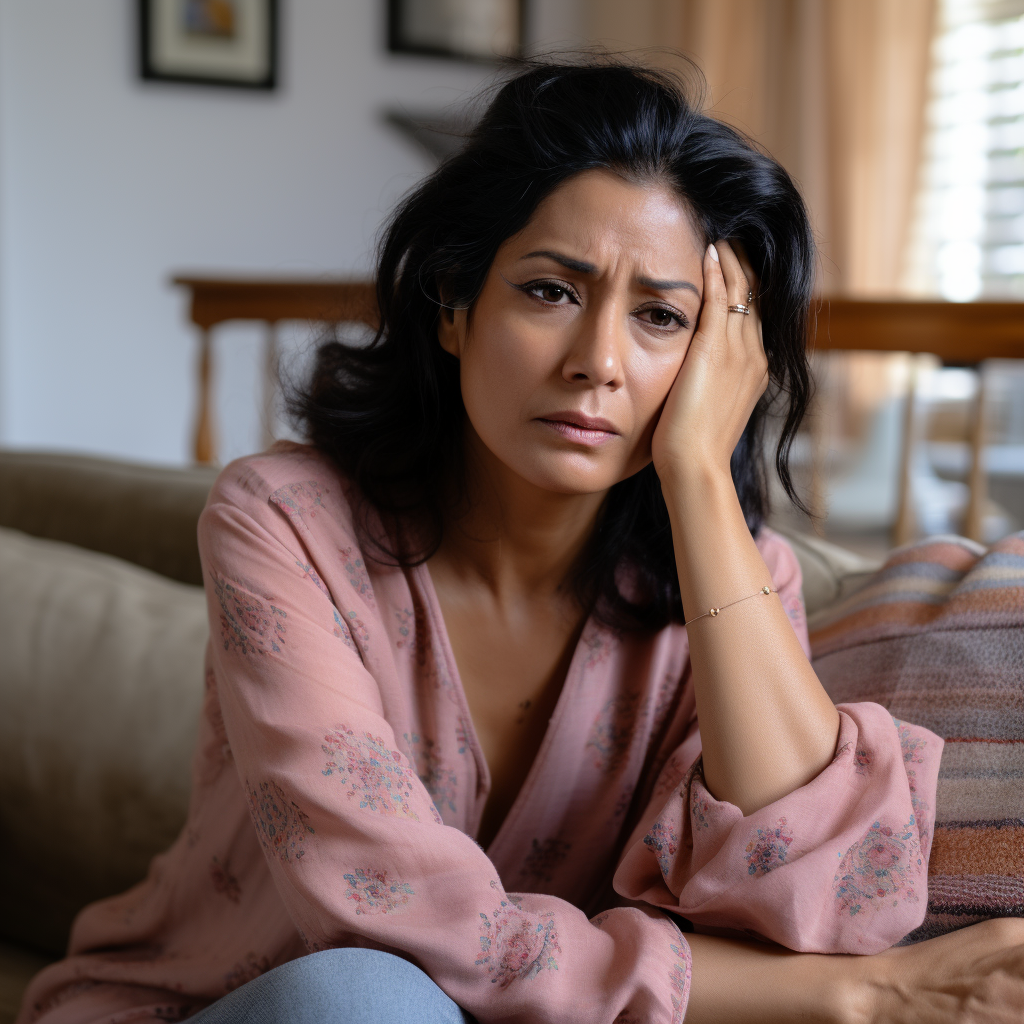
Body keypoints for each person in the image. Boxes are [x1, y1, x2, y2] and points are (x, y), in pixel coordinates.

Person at [20, 57, 1024, 1024]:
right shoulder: (284, 523)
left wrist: (698, 477)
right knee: (367, 999)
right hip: (240, 1005)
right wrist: (866, 998)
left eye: (660, 318)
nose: (597, 362)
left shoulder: (737, 580)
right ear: (454, 305)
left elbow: (816, 888)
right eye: (550, 290)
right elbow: (393, 916)